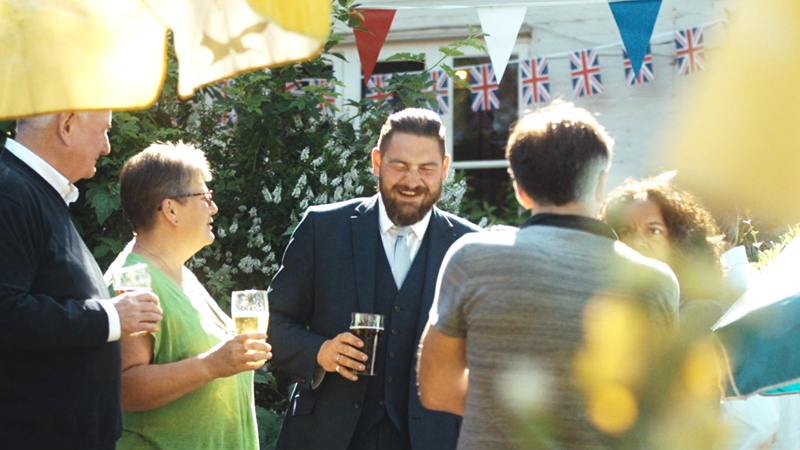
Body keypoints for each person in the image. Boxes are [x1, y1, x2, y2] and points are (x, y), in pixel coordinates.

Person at [417, 103, 680, 450]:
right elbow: (660, 407)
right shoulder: (655, 282)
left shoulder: (472, 260)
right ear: (601, 184)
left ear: (519, 190)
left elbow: (436, 388)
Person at [268, 108, 482, 450]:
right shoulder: (322, 230)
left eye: (426, 168)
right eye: (399, 165)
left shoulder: (470, 246)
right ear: (377, 161)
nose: (412, 180)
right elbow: (271, 321)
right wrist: (320, 352)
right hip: (327, 437)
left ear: (444, 169)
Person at [0, 112, 163, 449]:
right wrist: (109, 317)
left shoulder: (34, 193)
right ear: (68, 124)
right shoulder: (10, 192)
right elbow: (5, 313)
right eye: (103, 131)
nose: (106, 148)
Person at [106, 143, 272, 450]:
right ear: (170, 209)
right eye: (205, 196)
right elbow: (125, 387)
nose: (214, 207)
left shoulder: (179, 272)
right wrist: (211, 364)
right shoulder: (133, 278)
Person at [599, 175, 732, 335]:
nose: (638, 242)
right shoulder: (603, 297)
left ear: (678, 240)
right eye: (626, 231)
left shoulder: (699, 313)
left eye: (654, 231)